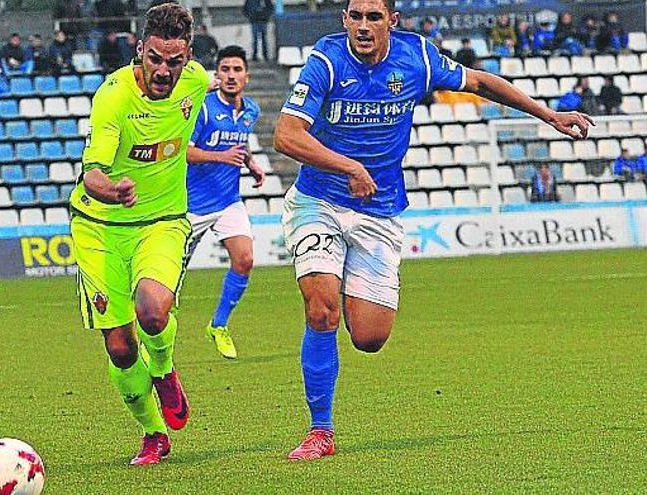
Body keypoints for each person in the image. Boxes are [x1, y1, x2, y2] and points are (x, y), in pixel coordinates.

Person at [274, 0, 593, 461]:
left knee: (368, 337)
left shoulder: (417, 57)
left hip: (378, 211)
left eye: (374, 17)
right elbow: (286, 136)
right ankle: (320, 430)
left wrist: (548, 115)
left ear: (392, 22)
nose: (363, 26)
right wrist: (348, 166)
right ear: (344, 20)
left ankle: (342, 287)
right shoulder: (326, 60)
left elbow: (480, 82)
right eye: (355, 17)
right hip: (319, 201)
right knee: (321, 311)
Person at [69, 2, 210, 466]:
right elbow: (91, 173)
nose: (164, 70)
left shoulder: (198, 82)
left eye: (175, 61)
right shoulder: (112, 96)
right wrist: (111, 188)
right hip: (100, 228)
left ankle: (166, 370)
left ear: (188, 56)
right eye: (155, 58)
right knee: (119, 345)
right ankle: (153, 434)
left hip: (162, 222)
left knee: (153, 311)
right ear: (139, 49)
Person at [186, 45, 265, 359]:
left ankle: (218, 325)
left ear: (247, 76)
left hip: (229, 201)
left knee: (244, 259)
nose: (231, 76)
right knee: (168, 284)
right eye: (225, 70)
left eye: (237, 70)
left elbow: (238, 144)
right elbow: (184, 153)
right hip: (191, 206)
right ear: (216, 75)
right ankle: (155, 337)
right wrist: (222, 156)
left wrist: (251, 163)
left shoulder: (251, 111)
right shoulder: (203, 109)